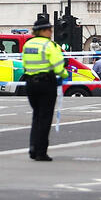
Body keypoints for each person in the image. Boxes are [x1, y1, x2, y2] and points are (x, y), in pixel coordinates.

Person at [21, 13, 69, 161]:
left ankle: (33, 148)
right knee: (45, 118)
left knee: (36, 116)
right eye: (49, 29)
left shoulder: (28, 45)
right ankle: (41, 152)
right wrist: (64, 74)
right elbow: (58, 66)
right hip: (46, 84)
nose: (51, 32)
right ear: (42, 31)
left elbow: (24, 64)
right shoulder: (50, 45)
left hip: (30, 83)